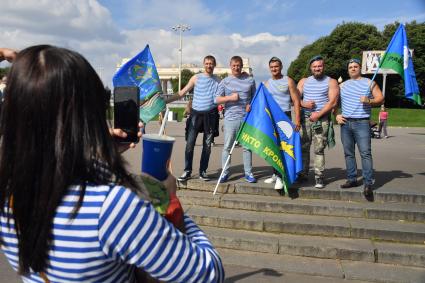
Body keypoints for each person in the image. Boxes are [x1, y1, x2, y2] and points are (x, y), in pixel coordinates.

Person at [0, 45, 224, 283]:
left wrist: (94, 152)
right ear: (90, 112)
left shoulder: (9, 191)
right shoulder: (111, 208)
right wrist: (169, 201)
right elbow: (208, 274)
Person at [166, 55, 220, 182]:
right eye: (207, 63)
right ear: (203, 64)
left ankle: (203, 171)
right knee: (190, 144)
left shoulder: (218, 80)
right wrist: (165, 101)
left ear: (214, 65)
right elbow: (182, 92)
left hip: (210, 115)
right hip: (196, 114)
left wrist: (242, 75)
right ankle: (187, 170)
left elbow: (227, 91)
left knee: (207, 145)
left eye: (211, 63)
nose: (209, 65)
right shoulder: (196, 78)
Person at [335, 58, 384, 197]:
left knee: (365, 153)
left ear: (360, 68)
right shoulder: (342, 85)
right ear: (348, 70)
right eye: (350, 67)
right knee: (348, 153)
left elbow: (381, 98)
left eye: (355, 66)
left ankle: (368, 183)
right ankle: (352, 179)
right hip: (345, 123)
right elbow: (334, 103)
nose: (353, 68)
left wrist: (369, 100)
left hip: (362, 122)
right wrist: (336, 115)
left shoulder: (370, 83)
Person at [297, 55, 339, 188]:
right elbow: (295, 98)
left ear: (323, 67)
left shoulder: (331, 81)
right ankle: (303, 174)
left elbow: (333, 102)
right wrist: (304, 104)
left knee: (319, 149)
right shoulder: (303, 81)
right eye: (314, 66)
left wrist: (318, 114)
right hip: (305, 119)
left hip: (322, 120)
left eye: (319, 66)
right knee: (303, 148)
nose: (317, 68)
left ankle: (319, 177)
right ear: (311, 68)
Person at [215, 56, 257, 183]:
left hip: (246, 119)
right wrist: (230, 98)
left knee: (247, 147)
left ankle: (248, 173)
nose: (236, 68)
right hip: (230, 119)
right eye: (234, 65)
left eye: (238, 65)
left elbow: (255, 98)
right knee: (227, 147)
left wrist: (251, 105)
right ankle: (224, 172)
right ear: (230, 66)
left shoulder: (250, 80)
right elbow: (216, 99)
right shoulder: (225, 81)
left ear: (241, 66)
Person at [263, 56, 301, 190]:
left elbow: (296, 101)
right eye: (272, 67)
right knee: (272, 146)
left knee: (282, 147)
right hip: (271, 117)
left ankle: (280, 176)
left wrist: (297, 119)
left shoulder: (289, 81)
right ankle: (275, 173)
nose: (274, 69)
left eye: (276, 66)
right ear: (269, 68)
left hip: (284, 116)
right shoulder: (266, 83)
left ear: (281, 67)